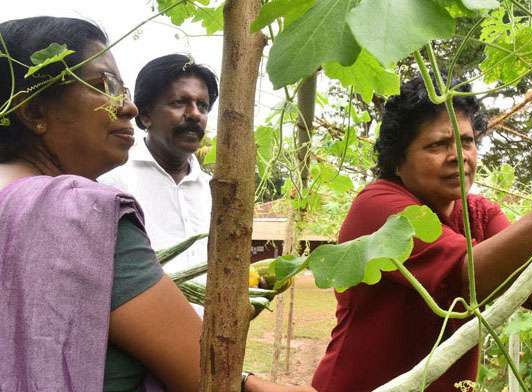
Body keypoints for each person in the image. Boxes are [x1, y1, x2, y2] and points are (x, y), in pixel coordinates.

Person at [0, 16, 314, 392]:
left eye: (202, 105)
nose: (127, 107)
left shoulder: (214, 188)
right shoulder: (81, 209)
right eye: (104, 86)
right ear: (33, 112)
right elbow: (209, 379)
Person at [311, 76, 532, 391]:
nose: (458, 156)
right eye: (437, 145)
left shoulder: (480, 212)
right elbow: (471, 275)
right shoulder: (378, 205)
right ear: (398, 162)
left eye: (467, 141)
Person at [100, 54, 216, 272]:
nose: (194, 114)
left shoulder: (214, 190)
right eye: (179, 103)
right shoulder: (111, 182)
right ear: (145, 116)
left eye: (203, 106)